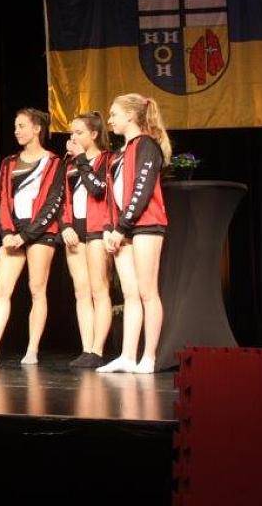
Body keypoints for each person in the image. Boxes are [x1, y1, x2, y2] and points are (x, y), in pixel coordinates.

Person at [0, 108, 64, 366]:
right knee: (1, 290)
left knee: (37, 289)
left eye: (22, 126)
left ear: (37, 129)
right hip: (12, 232)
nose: (16, 131)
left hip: (40, 232)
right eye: (16, 126)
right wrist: (8, 232)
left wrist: (27, 234)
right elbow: (2, 202)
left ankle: (32, 350)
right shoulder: (9, 162)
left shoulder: (53, 162)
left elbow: (53, 202)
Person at [97, 93, 170, 374]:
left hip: (145, 224)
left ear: (130, 115)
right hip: (122, 228)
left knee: (147, 292)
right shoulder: (120, 152)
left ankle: (148, 357)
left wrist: (122, 227)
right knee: (129, 294)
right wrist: (109, 228)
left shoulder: (147, 145)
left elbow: (142, 188)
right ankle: (128, 356)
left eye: (114, 114)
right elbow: (112, 195)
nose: (110, 120)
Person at [60, 112, 114, 369]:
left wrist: (81, 158)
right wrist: (65, 226)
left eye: (79, 132)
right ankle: (86, 348)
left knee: (98, 289)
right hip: (75, 230)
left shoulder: (106, 159)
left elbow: (97, 189)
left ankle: (97, 349)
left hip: (97, 229)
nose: (74, 137)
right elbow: (62, 198)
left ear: (93, 134)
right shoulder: (69, 164)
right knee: (81, 291)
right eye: (72, 133)